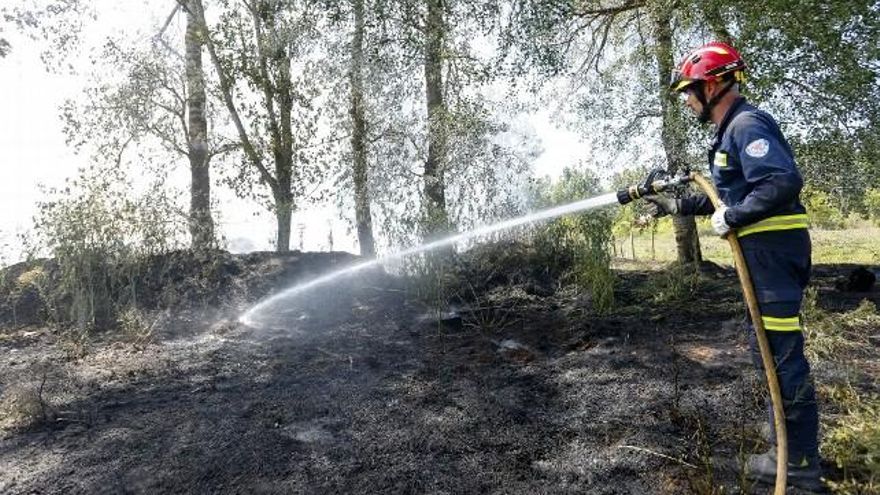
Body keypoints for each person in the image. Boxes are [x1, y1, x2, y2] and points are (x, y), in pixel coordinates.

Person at [646, 41, 824, 492]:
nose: (687, 100)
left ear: (713, 83)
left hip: (773, 255)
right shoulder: (728, 135)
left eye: (690, 90)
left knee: (780, 356)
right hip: (764, 256)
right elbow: (724, 196)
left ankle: (799, 462)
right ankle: (785, 439)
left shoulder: (747, 124)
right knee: (764, 348)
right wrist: (675, 206)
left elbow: (781, 182)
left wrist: (735, 216)